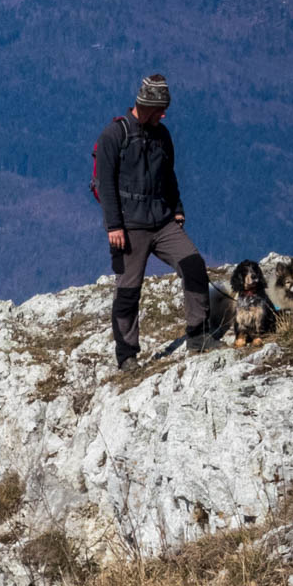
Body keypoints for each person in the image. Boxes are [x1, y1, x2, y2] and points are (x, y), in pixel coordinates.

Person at [95, 73, 214, 368]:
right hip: (129, 228)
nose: (164, 114)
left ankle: (198, 336)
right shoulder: (114, 136)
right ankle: (126, 357)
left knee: (194, 265)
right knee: (128, 290)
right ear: (145, 106)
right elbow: (104, 183)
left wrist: (177, 208)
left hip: (162, 222)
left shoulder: (162, 135)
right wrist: (114, 226)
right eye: (160, 109)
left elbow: (169, 174)